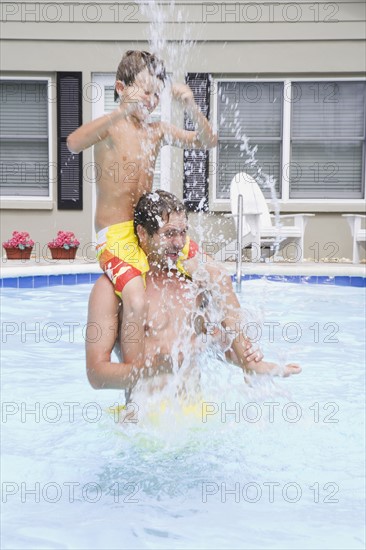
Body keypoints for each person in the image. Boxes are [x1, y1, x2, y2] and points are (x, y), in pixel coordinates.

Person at [67, 50, 217, 374]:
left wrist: (190, 105)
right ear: (121, 87)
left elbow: (208, 141)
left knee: (210, 272)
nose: (150, 100)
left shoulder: (157, 130)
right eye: (144, 91)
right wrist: (120, 113)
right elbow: (74, 143)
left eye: (156, 94)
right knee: (135, 297)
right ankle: (137, 385)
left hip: (147, 231)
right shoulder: (110, 127)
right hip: (117, 234)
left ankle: (205, 360)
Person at [85, 190, 301, 400]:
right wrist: (153, 369)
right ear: (142, 233)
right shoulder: (112, 291)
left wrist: (247, 360)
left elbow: (215, 343)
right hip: (143, 418)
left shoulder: (193, 283)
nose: (179, 243)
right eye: (169, 234)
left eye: (183, 233)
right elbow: (96, 375)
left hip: (193, 417)